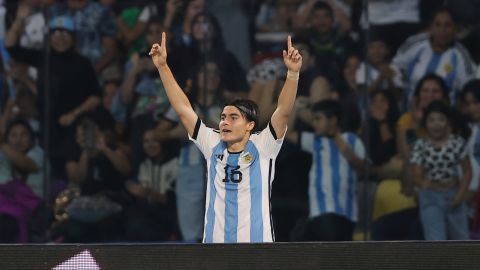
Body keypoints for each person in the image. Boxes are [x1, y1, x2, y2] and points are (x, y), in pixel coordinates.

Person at [149, 32, 302, 243]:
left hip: (256, 250)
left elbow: (283, 111)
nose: (224, 122)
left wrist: (293, 74)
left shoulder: (264, 145)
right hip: (216, 249)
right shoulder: (212, 143)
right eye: (222, 117)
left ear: (250, 126)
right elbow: (183, 109)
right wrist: (163, 67)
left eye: (232, 117)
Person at [286, 100, 365, 241]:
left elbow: (366, 170)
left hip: (345, 214)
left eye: (318, 119)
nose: (314, 123)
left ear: (333, 120)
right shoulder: (316, 141)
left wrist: (348, 154)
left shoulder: (352, 141)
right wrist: (296, 109)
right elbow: (287, 133)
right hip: (319, 214)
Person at [410, 101, 471, 240]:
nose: (436, 124)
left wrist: (460, 196)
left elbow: (467, 171)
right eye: (431, 120)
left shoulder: (458, 142)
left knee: (462, 245)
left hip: (454, 195)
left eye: (441, 119)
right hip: (431, 198)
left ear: (448, 122)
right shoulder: (420, 145)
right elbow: (417, 174)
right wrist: (424, 183)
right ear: (426, 123)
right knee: (436, 244)